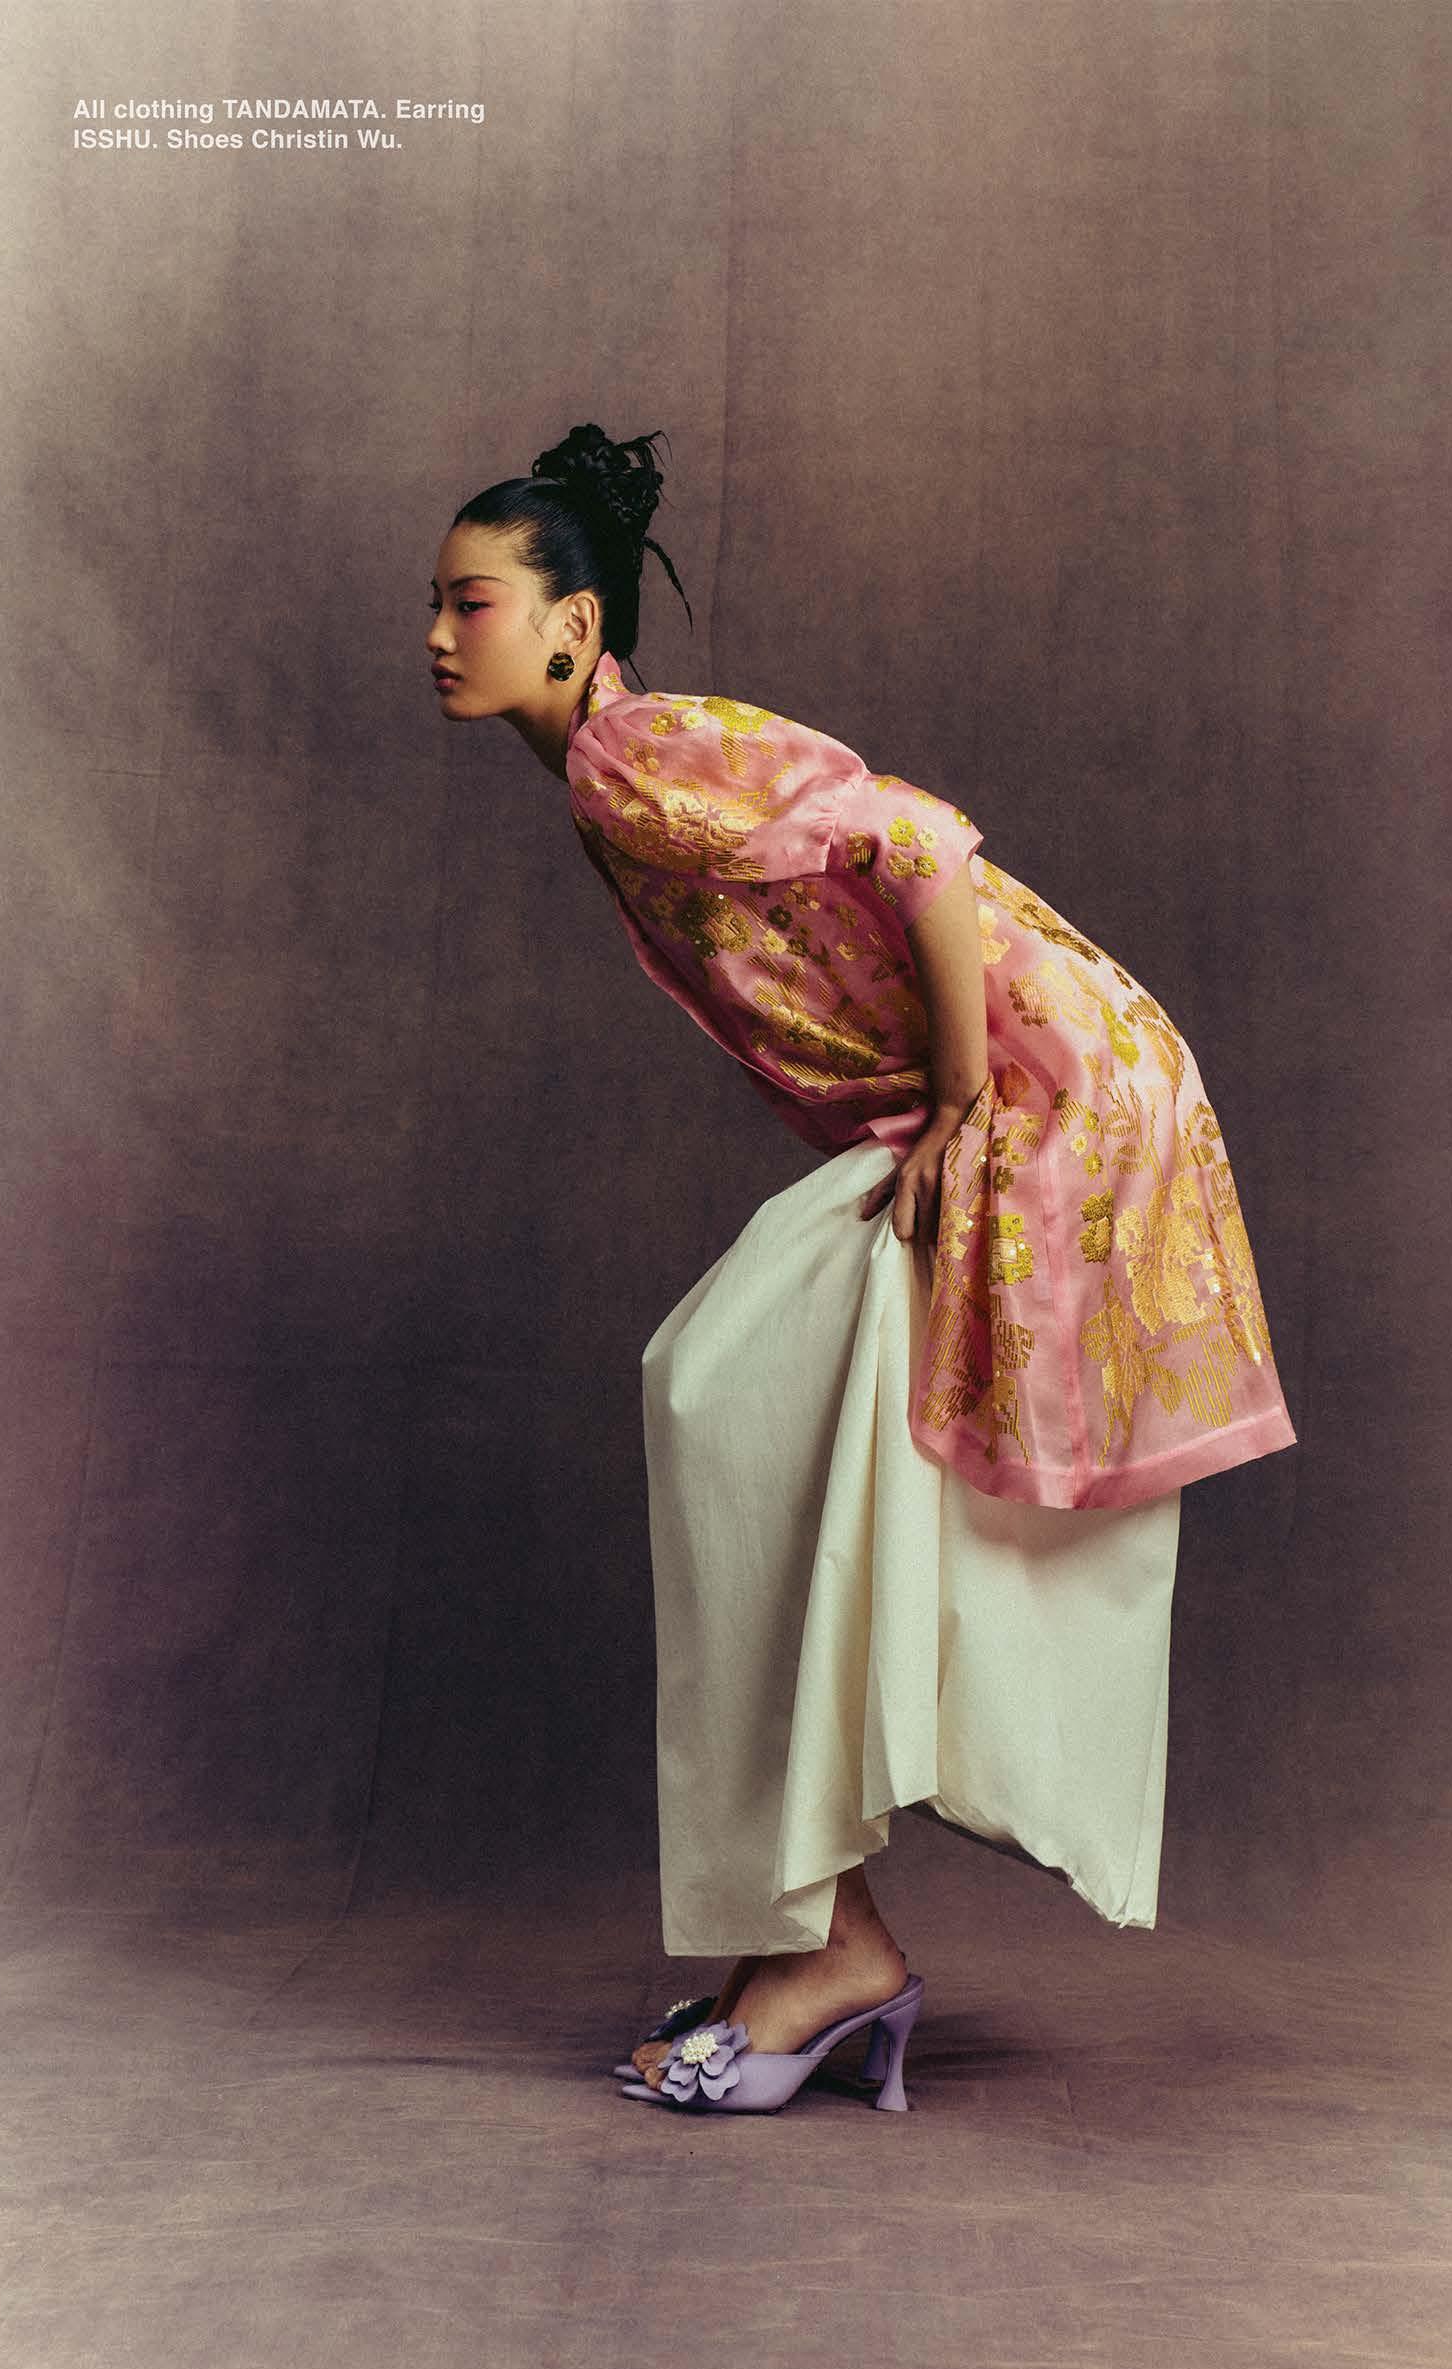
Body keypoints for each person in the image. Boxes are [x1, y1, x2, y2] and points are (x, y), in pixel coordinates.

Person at [426, 422, 1298, 2115]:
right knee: (740, 1405)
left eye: (473, 603)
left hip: (1049, 1092)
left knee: (721, 1396)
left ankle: (829, 1945)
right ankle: (809, 1935)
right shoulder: (613, 776)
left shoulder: (632, 755)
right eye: (439, 604)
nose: (439, 637)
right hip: (1025, 1085)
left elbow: (920, 842)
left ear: (573, 627)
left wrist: (965, 1097)